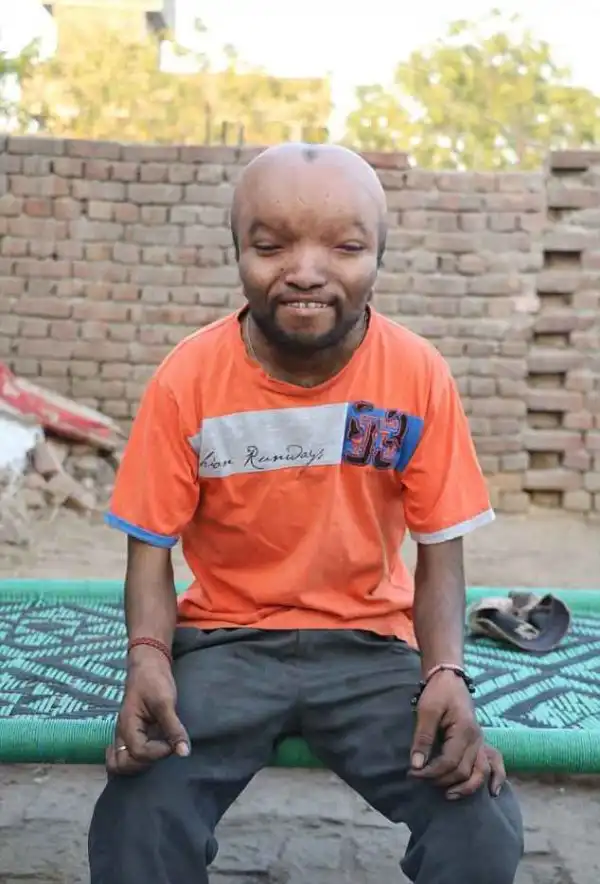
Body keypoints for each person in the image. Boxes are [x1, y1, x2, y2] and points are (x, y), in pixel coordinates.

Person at [88, 143, 524, 883]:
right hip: (226, 647)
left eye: (345, 247)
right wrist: (149, 658)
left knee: (479, 820)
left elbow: (440, 552)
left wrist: (446, 672)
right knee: (138, 820)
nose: (306, 271)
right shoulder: (186, 380)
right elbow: (150, 549)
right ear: (237, 251)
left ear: (380, 255)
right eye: (270, 246)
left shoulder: (416, 375)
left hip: (370, 651)